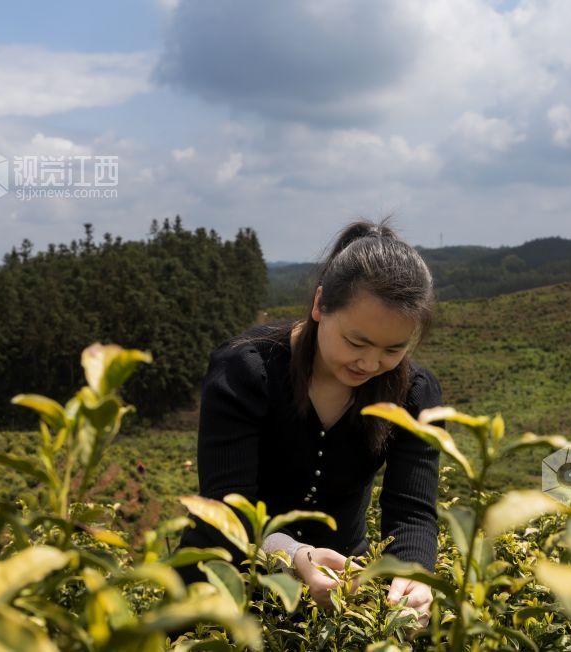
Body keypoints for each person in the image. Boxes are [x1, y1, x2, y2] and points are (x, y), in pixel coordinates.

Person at [177, 219, 443, 625]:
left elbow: (410, 511)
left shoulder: (415, 394)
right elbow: (227, 509)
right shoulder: (246, 372)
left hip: (338, 595)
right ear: (320, 305)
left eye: (394, 349)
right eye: (356, 342)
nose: (370, 364)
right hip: (221, 583)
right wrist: (292, 554)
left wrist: (412, 576)